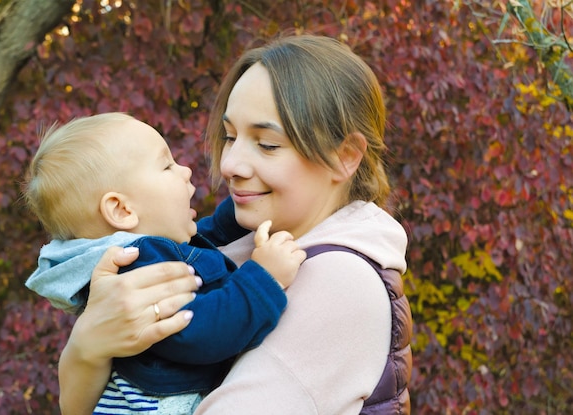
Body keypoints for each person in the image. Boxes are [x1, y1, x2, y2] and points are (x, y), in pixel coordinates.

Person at [58, 34, 413, 415]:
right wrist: (87, 347)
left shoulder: (340, 281)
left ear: (345, 156)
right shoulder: (244, 244)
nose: (229, 165)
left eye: (267, 144)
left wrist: (87, 351)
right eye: (230, 136)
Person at [23, 112, 306, 414]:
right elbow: (202, 333)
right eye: (167, 165)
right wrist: (264, 278)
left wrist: (253, 202)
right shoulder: (136, 266)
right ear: (121, 209)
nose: (185, 170)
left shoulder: (151, 250)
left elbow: (210, 235)